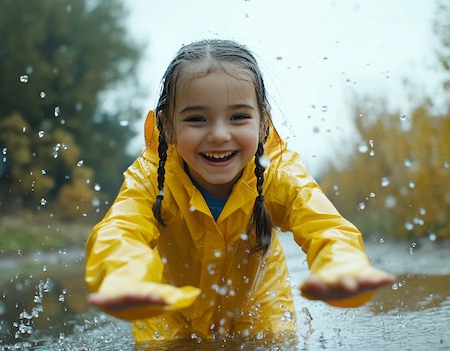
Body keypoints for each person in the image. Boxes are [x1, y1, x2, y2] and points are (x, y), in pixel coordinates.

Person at [85, 39, 395, 342]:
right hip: (168, 309)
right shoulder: (151, 177)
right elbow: (120, 230)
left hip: (261, 304)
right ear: (167, 127)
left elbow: (325, 226)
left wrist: (341, 266)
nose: (219, 134)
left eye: (238, 117)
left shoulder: (279, 172)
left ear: (263, 123)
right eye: (196, 119)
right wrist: (125, 276)